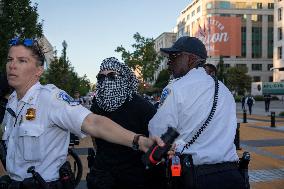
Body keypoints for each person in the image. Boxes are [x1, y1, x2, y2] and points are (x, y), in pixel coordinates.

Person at [0, 37, 163, 189]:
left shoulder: (51, 99)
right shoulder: (13, 101)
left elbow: (94, 123)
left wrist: (140, 141)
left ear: (39, 70)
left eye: (22, 60)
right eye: (10, 59)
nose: (12, 65)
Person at [148, 36, 246, 189]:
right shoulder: (225, 90)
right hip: (232, 175)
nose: (169, 62)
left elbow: (157, 132)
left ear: (191, 59)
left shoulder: (176, 88)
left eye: (173, 57)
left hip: (195, 176)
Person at [86, 57, 165, 189]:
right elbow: (95, 139)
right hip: (103, 177)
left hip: (134, 178)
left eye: (112, 75)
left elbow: (156, 141)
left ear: (124, 77)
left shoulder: (142, 106)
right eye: (101, 77)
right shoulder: (97, 105)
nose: (106, 81)